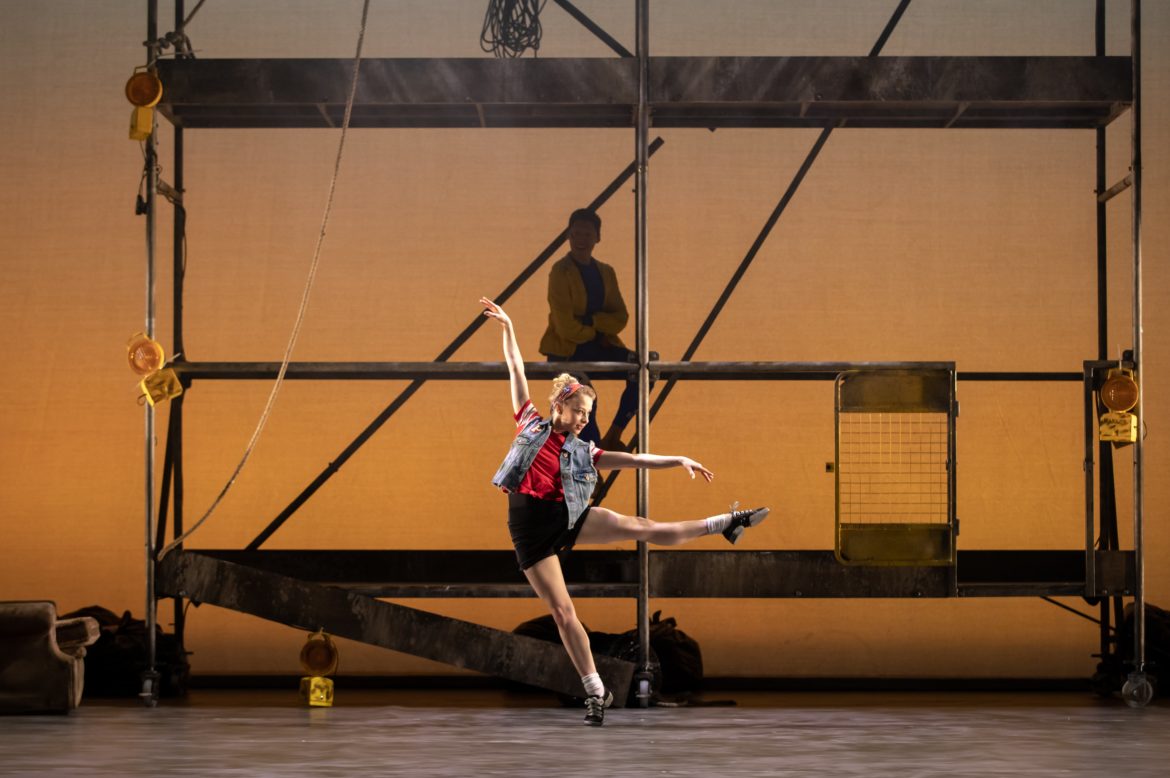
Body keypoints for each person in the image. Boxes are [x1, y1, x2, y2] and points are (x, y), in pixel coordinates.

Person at [480, 296, 769, 726]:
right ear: (559, 404)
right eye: (579, 411)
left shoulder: (585, 451)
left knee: (641, 526)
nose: (583, 419)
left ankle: (724, 523)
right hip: (530, 530)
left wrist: (677, 459)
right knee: (563, 612)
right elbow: (516, 369)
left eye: (588, 414)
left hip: (566, 517)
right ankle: (596, 690)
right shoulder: (529, 422)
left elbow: (633, 460)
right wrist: (508, 327)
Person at [539, 208, 642, 450]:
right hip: (567, 351)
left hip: (599, 347)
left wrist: (592, 322)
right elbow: (566, 328)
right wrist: (597, 331)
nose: (581, 240)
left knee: (641, 368)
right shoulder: (560, 271)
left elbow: (620, 317)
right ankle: (590, 463)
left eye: (587, 234)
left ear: (597, 237)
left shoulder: (605, 272)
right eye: (576, 234)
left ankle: (613, 435)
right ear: (569, 237)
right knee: (585, 400)